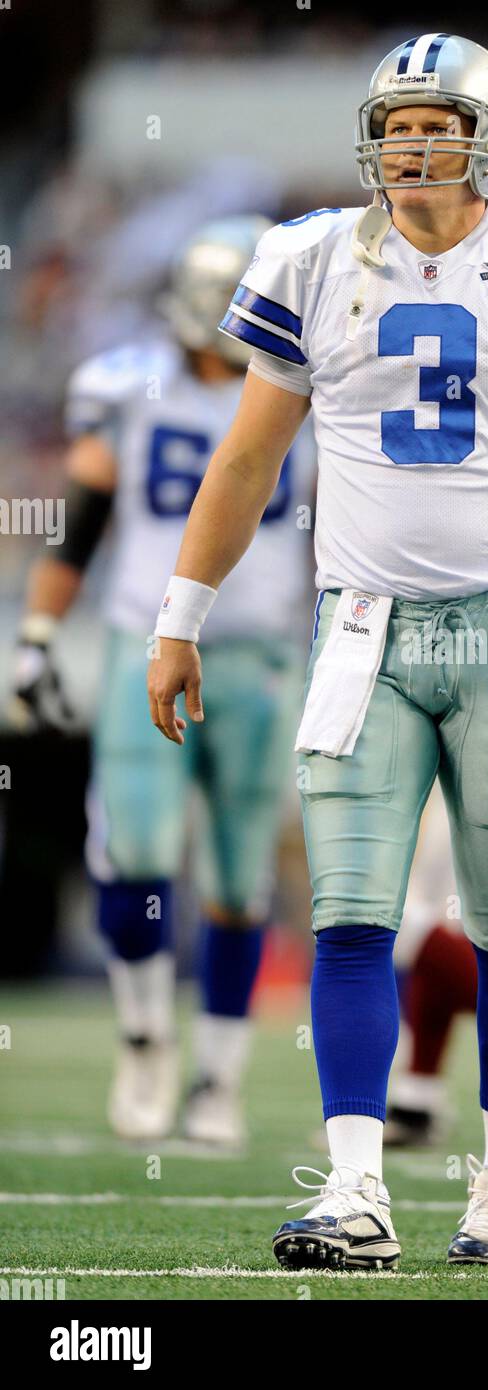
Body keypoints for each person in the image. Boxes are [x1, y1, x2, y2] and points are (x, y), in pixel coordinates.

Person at [146, 33, 488, 1269]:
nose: (410, 145)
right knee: (350, 916)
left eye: (434, 122)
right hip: (360, 626)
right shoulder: (309, 256)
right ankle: (356, 1188)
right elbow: (245, 463)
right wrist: (179, 617)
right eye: (393, 125)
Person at [13, 216, 312, 1148]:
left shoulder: (313, 385)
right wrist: (36, 632)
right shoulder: (127, 385)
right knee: (137, 851)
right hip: (149, 641)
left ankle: (217, 1076)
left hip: (260, 652)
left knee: (235, 875)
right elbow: (86, 521)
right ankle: (145, 1034)